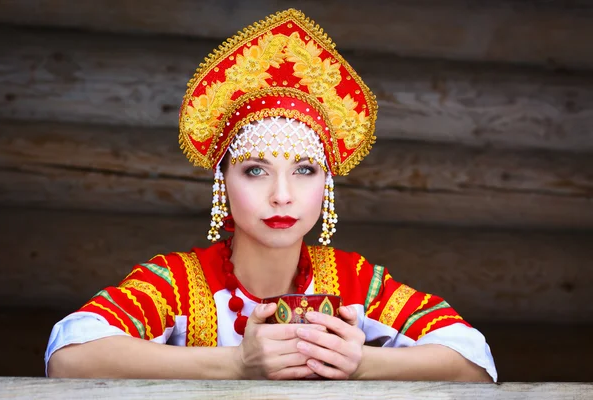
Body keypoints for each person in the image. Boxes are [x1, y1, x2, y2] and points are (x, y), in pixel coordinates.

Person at [45, 9, 497, 381]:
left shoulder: (353, 281)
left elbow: (473, 360)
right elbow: (68, 355)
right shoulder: (176, 283)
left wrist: (362, 363)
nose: (282, 196)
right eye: (256, 170)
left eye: (304, 170)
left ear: (327, 185)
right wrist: (238, 362)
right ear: (222, 180)